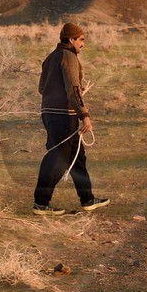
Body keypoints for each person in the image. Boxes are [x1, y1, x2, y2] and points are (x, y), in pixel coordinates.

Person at [33, 22, 110, 215]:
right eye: (81, 40)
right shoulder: (69, 57)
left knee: (78, 158)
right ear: (71, 40)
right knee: (57, 158)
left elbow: (42, 89)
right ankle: (41, 203)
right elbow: (73, 91)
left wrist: (68, 92)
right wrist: (84, 115)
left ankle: (88, 199)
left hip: (50, 113)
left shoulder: (50, 58)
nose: (83, 44)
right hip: (63, 117)